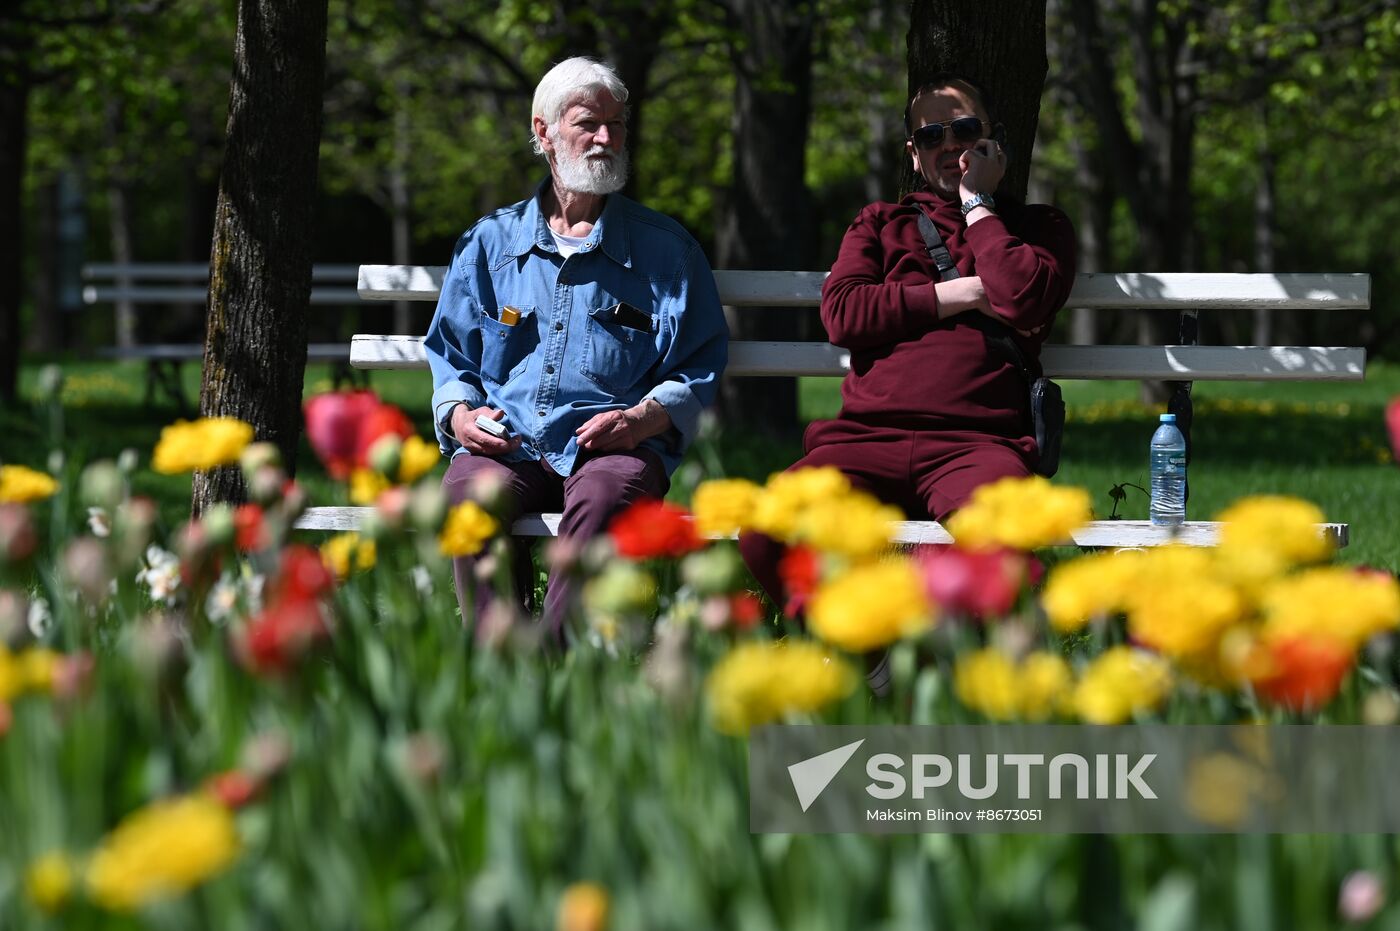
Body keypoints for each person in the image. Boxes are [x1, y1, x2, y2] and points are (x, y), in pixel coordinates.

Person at [739, 72, 1076, 613]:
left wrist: (978, 205)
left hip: (978, 446)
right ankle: (862, 659)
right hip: (862, 443)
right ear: (913, 155)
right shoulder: (880, 223)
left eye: (964, 130)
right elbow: (844, 314)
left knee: (995, 550)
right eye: (931, 136)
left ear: (992, 139)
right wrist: (959, 293)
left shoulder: (1036, 228)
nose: (949, 146)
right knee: (764, 533)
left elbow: (1024, 297)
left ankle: (930, 672)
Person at [425, 57, 728, 647]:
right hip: (509, 444)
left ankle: (559, 667)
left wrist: (641, 420)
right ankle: (502, 662)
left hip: (614, 447)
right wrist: (460, 415)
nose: (607, 139)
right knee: (467, 497)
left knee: (603, 495)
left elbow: (699, 362)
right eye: (589, 123)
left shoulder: (667, 251)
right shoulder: (490, 244)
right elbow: (452, 353)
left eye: (617, 124)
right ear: (543, 133)